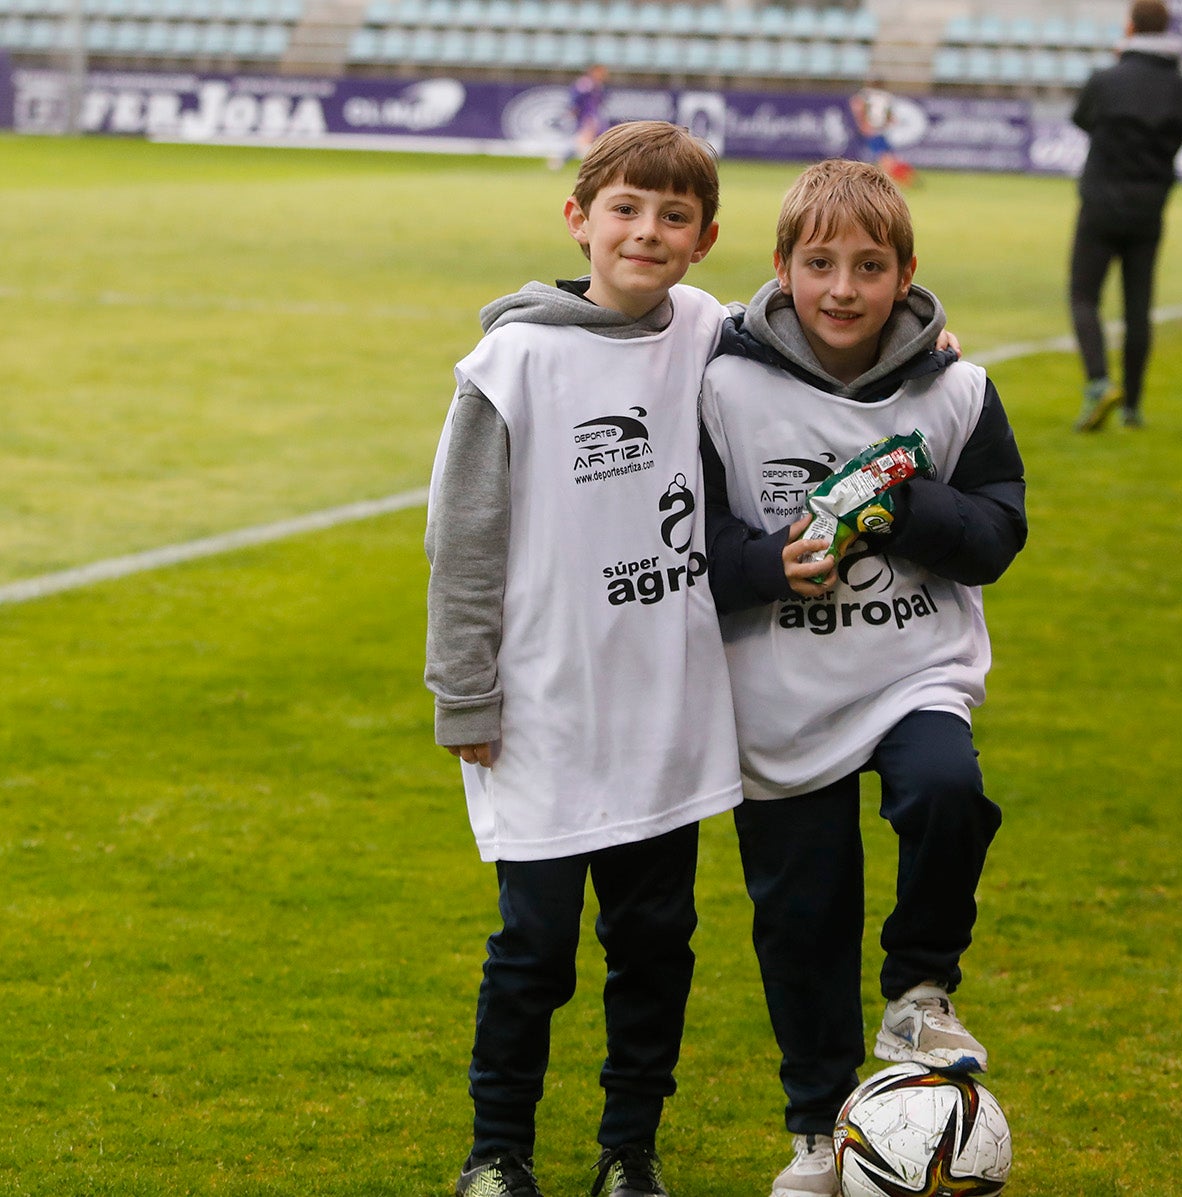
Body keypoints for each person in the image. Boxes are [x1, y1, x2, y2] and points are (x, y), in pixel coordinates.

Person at [698, 158, 1027, 1197]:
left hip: (910, 668)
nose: (843, 288)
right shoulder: (720, 385)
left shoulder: (957, 388)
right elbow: (689, 540)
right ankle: (814, 1134)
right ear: (782, 269)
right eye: (820, 264)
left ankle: (921, 988)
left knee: (947, 791)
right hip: (779, 690)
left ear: (908, 274)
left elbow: (999, 535)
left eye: (870, 266)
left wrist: (906, 497)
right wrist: (766, 565)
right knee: (802, 917)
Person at [425, 120, 742, 1197]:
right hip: (547, 709)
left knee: (656, 948)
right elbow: (462, 540)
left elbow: (814, 342)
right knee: (536, 951)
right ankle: (496, 1152)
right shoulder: (512, 360)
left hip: (665, 707)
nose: (646, 232)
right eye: (626, 208)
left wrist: (925, 344)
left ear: (703, 240)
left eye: (673, 216)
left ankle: (628, 1153)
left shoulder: (704, 326)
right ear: (579, 219)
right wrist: (463, 691)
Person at [1068, 0, 1182, 431]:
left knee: (1084, 297)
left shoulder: (1106, 80)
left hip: (1102, 202)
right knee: (1138, 307)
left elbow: (1082, 119)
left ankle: (1099, 383)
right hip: (1150, 206)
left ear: (1130, 27)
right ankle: (1133, 408)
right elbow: (1176, 140)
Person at [849, 81, 916, 187]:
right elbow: (889, 115)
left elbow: (856, 104)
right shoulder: (886, 96)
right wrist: (890, 120)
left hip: (873, 130)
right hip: (880, 130)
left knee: (884, 157)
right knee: (885, 156)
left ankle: (885, 180)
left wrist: (862, 121)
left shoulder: (866, 94)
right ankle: (889, 179)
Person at [550, 62, 609, 169]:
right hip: (588, 117)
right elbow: (575, 100)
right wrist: (573, 111)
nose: (603, 75)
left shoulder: (598, 86)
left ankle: (562, 160)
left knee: (593, 141)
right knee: (584, 141)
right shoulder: (585, 84)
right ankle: (561, 160)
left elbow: (600, 102)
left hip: (594, 116)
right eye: (601, 72)